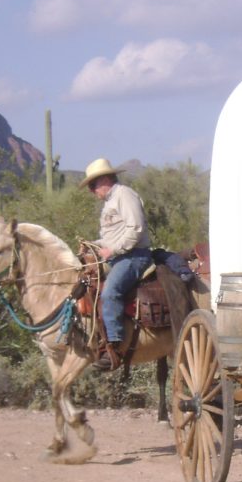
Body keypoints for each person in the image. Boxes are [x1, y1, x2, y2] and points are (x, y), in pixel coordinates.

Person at [81, 157, 152, 371]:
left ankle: (115, 345)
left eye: (93, 185)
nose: (92, 191)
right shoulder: (109, 202)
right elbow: (111, 237)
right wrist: (93, 245)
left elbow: (136, 229)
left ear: (104, 180)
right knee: (86, 284)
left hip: (134, 256)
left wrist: (113, 250)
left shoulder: (124, 195)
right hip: (118, 256)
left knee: (110, 291)